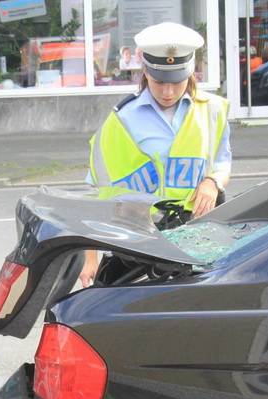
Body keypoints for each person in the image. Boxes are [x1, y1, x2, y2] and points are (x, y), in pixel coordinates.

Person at [81, 22, 232, 286]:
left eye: (177, 81)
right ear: (145, 72)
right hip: (139, 244)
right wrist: (90, 260)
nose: (168, 91)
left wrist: (213, 182)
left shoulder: (213, 111)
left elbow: (222, 162)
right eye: (160, 81)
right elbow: (99, 191)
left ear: (190, 73)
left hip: (197, 239)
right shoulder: (122, 120)